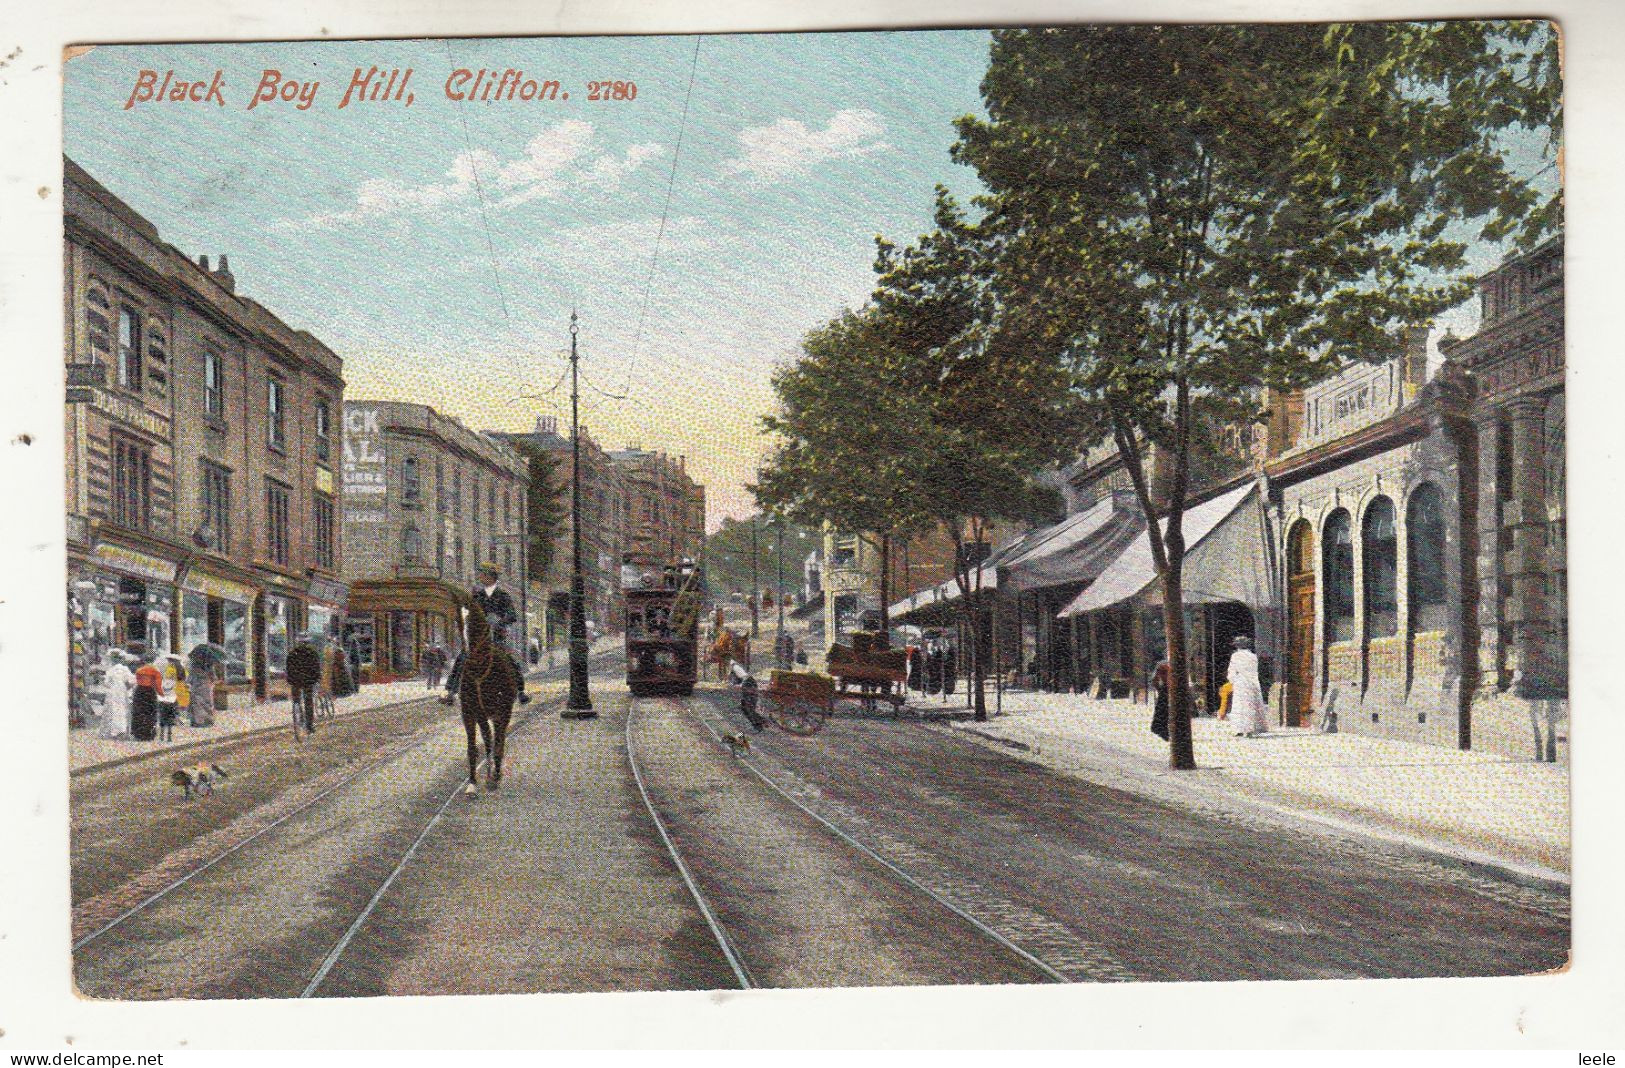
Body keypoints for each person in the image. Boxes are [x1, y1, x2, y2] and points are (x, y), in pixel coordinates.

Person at [443, 564, 530, 705]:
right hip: (479, 638)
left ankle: (521, 692)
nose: (480, 577)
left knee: (511, 661)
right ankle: (450, 692)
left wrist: (499, 622)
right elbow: (469, 612)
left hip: (496, 636)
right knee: (462, 658)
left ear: (490, 577)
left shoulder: (503, 596)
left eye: (482, 575)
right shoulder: (477, 595)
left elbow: (512, 616)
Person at [1225, 635, 1270, 737]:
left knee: (1239, 705)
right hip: (1252, 682)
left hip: (1240, 682)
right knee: (1250, 705)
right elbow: (1255, 671)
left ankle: (1239, 728)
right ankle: (1249, 729)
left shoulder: (1235, 656)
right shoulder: (1253, 656)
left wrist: (1232, 680)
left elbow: (1232, 670)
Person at [98, 649, 135, 739]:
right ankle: (122, 731)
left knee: (113, 709)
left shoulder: (110, 670)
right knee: (122, 709)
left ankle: (113, 731)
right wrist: (128, 688)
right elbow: (131, 681)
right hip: (122, 691)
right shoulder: (125, 669)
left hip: (113, 691)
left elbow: (106, 683)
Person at [1149, 658, 1172, 741]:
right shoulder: (1163, 665)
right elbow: (1154, 679)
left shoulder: (1162, 665)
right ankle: (1161, 729)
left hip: (1166, 689)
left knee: (1162, 710)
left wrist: (1159, 688)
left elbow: (1154, 679)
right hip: (1167, 689)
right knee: (1164, 710)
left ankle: (1159, 728)